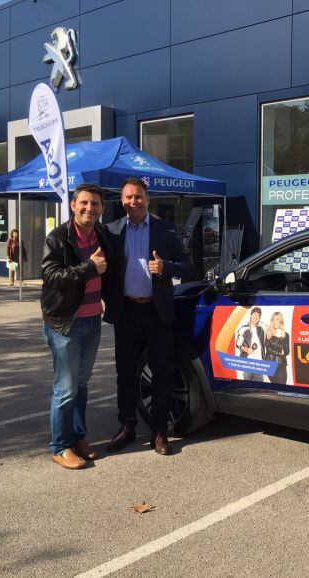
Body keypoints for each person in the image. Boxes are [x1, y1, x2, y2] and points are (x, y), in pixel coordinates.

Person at [103, 177, 191, 456]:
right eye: (128, 197)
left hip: (157, 311)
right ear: (122, 200)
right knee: (125, 372)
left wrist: (166, 267)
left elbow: (187, 266)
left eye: (138, 196)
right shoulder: (112, 231)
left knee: (162, 372)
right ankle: (127, 426)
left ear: (147, 198)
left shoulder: (165, 229)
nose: (133, 201)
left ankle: (159, 431)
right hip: (126, 310)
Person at [41, 184, 111, 470]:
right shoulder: (58, 237)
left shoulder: (102, 235)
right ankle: (60, 446)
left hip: (94, 321)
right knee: (66, 388)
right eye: (84, 203)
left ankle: (78, 437)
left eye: (95, 204)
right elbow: (50, 275)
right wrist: (89, 268)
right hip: (66, 324)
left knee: (81, 385)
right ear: (73, 205)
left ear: (102, 209)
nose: (89, 209)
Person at [236, 307, 265, 382]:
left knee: (260, 387)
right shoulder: (243, 328)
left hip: (259, 363)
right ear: (251, 315)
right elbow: (238, 344)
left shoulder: (261, 328)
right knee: (248, 386)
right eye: (254, 314)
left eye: (258, 315)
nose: (256, 316)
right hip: (247, 363)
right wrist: (246, 349)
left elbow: (269, 330)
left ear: (259, 318)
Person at [264, 311, 290, 384]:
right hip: (270, 364)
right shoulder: (268, 332)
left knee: (282, 387)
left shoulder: (285, 335)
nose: (275, 321)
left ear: (281, 321)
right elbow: (268, 348)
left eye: (277, 319)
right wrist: (280, 352)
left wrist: (282, 337)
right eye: (273, 319)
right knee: (274, 387)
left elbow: (287, 351)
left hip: (281, 364)